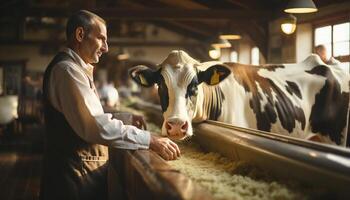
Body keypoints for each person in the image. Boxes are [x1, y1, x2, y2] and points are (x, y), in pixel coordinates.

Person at [40, 10, 180, 200]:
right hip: (73, 178)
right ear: (80, 35)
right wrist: (151, 140)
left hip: (79, 172)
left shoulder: (74, 68)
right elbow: (94, 125)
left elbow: (85, 113)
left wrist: (127, 118)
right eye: (101, 39)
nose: (106, 47)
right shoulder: (67, 70)